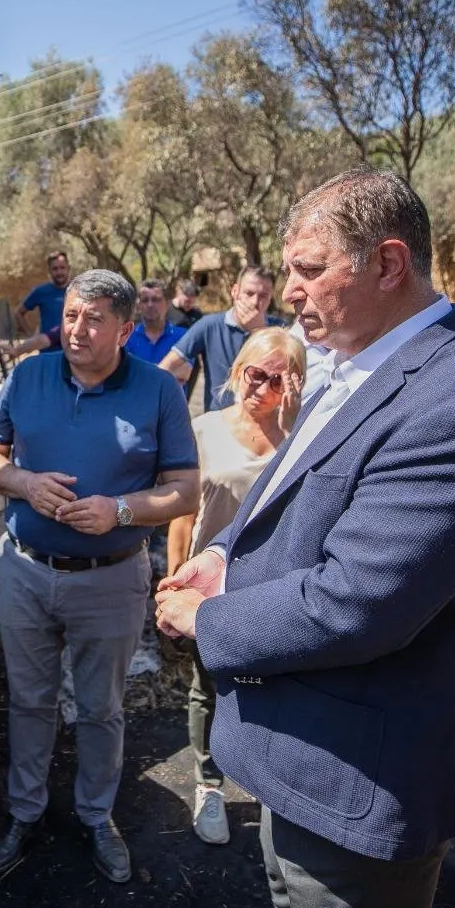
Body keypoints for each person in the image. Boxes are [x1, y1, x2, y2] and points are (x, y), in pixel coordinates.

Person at [155, 165, 455, 908]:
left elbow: (357, 602)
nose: (288, 292)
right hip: (308, 753)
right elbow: (296, 495)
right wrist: (225, 554)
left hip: (361, 772)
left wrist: (210, 615)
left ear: (388, 264)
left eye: (307, 269)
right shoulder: (360, 363)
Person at [0, 269, 199, 884]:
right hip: (24, 568)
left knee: (100, 709)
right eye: (72, 315)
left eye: (94, 318)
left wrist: (118, 511)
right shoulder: (28, 375)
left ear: (125, 329)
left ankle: (96, 816)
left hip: (111, 578)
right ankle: (23, 811)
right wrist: (22, 481)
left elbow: (184, 491)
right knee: (30, 701)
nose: (77, 329)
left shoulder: (157, 392)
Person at [165, 327, 305, 846]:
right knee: (208, 687)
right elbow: (184, 513)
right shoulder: (203, 429)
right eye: (255, 373)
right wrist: (173, 574)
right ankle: (208, 785)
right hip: (209, 584)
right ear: (236, 371)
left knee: (271, 689)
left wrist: (295, 420)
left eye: (278, 379)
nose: (262, 388)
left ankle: (272, 787)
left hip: (273, 586)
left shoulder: (302, 441)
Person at [160, 266, 286, 412]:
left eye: (263, 296)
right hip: (218, 422)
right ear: (235, 291)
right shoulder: (210, 325)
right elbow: (167, 366)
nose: (254, 302)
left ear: (271, 297)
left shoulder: (280, 330)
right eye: (249, 293)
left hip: (265, 425)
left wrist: (259, 331)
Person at [124, 278, 187, 364]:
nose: (150, 305)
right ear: (138, 306)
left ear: (168, 303)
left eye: (156, 300)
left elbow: (188, 372)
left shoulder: (183, 338)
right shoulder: (126, 338)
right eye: (145, 300)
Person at [17, 250, 71, 348]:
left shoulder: (76, 291)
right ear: (49, 271)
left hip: (71, 352)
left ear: (68, 268)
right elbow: (19, 313)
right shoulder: (41, 292)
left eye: (62, 268)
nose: (59, 272)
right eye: (55, 269)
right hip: (47, 352)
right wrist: (31, 337)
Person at [167, 278, 207, 400]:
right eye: (186, 296)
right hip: (169, 361)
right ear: (178, 292)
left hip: (191, 365)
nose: (189, 300)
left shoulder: (197, 314)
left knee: (183, 400)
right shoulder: (166, 311)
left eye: (192, 297)